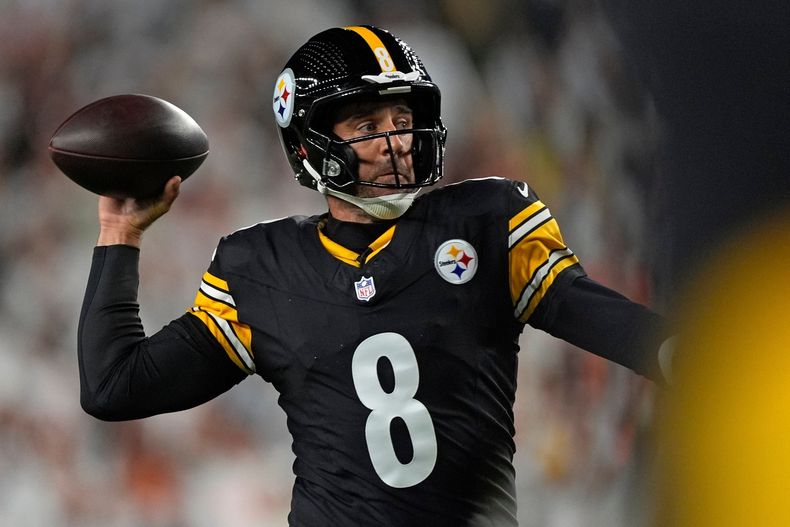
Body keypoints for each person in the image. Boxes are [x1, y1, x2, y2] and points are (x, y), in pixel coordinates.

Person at [79, 25, 673, 526]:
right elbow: (115, 387)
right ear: (311, 148)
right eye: (367, 128)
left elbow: (599, 316)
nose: (395, 142)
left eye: (402, 117)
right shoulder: (259, 267)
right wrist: (120, 234)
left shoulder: (488, 222)